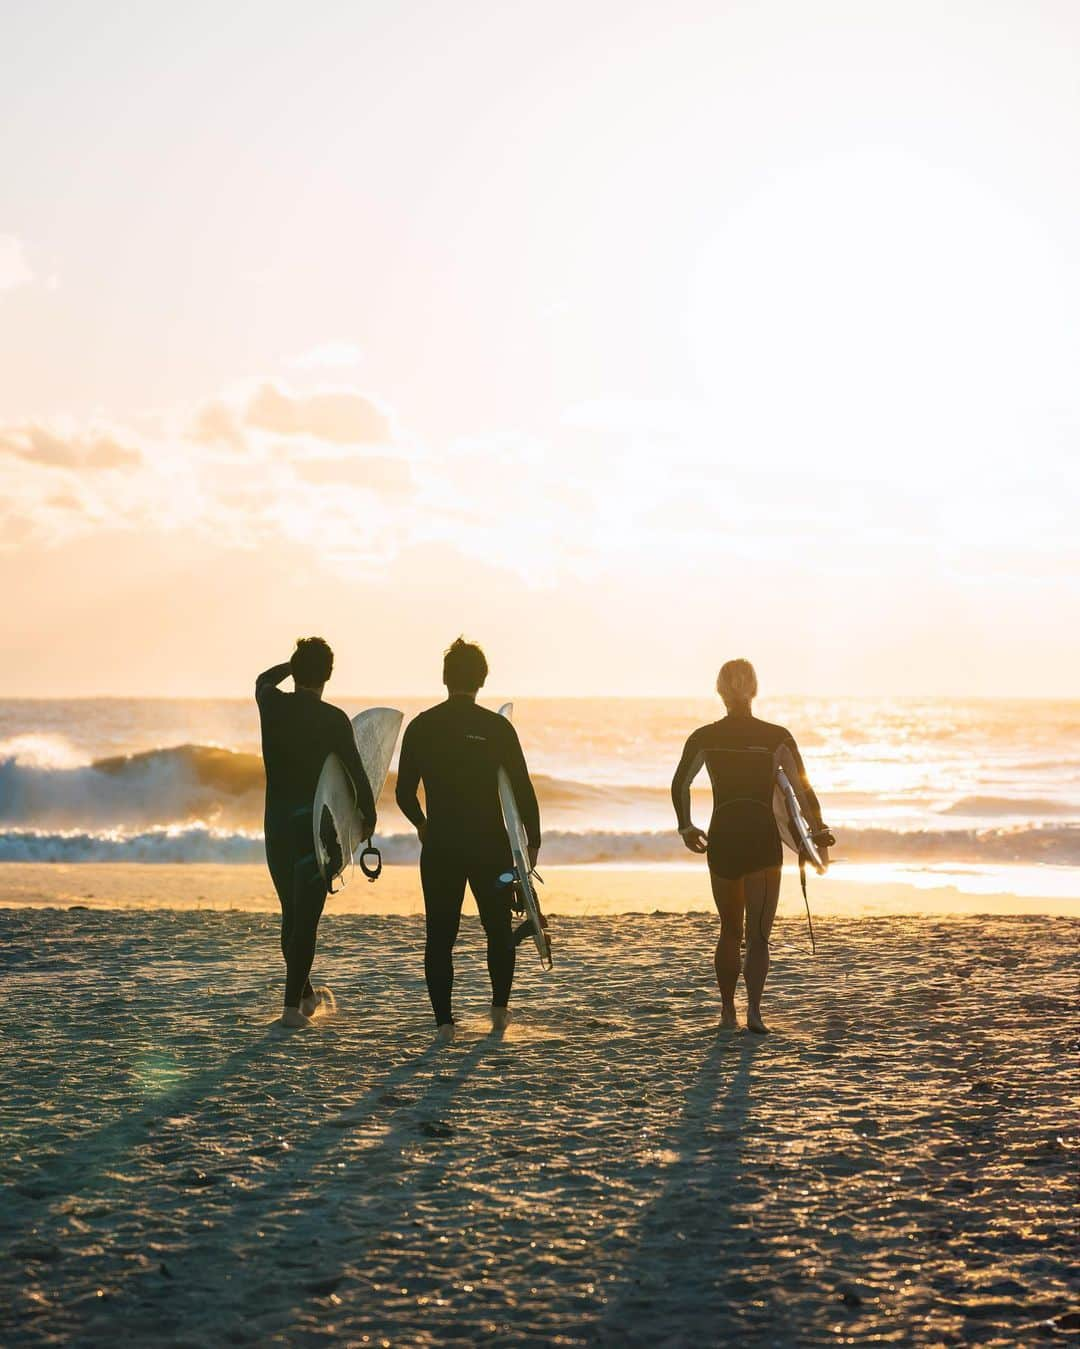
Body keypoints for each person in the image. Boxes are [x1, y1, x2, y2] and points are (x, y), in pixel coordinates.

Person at [670, 659, 831, 1034]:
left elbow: (680, 784)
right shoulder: (777, 737)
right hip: (762, 841)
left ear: (720, 691)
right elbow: (802, 790)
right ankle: (755, 1013)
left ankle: (727, 1012)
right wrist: (818, 832)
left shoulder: (704, 737)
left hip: (724, 837)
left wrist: (685, 826)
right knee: (759, 936)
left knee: (729, 931)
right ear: (754, 690)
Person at [396, 637, 541, 1045]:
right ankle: (498, 1013)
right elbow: (522, 789)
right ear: (482, 680)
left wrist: (422, 823)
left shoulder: (422, 726)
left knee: (440, 934)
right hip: (490, 847)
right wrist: (533, 840)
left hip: (441, 846)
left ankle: (444, 1023)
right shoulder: (496, 728)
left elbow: (404, 794)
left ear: (445, 679)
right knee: (497, 928)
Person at [256, 637, 376, 1028]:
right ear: (327, 676)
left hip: (276, 825)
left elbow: (262, 679)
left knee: (291, 914)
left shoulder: (271, 704)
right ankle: (291, 1009)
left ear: (295, 670)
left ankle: (304, 997)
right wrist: (367, 820)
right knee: (305, 920)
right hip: (312, 828)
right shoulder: (333, 719)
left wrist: (293, 666)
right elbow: (357, 777)